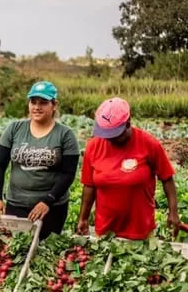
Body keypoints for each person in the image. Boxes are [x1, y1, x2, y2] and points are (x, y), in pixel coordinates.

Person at [76, 97, 179, 240]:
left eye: (114, 135)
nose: (109, 139)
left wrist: (173, 212)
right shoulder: (93, 146)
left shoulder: (149, 144)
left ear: (128, 123)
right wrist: (83, 218)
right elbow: (89, 186)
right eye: (106, 134)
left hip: (140, 230)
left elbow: (167, 178)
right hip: (106, 230)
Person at [0, 81, 79, 239]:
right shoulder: (14, 129)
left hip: (51, 208)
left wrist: (47, 201)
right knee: (16, 250)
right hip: (16, 204)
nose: (37, 107)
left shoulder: (65, 135)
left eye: (43, 102)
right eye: (33, 102)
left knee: (45, 252)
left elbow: (68, 174)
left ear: (54, 105)